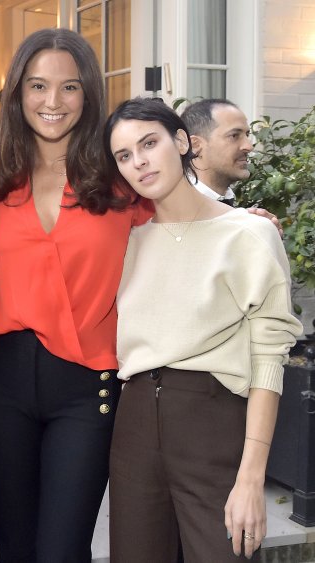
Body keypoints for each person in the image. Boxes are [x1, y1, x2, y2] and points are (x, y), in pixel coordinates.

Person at [0, 28, 153, 561]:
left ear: (88, 94)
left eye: (69, 87)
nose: (52, 101)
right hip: (3, 379)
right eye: (38, 86)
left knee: (63, 549)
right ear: (18, 94)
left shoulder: (121, 177)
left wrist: (236, 222)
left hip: (87, 382)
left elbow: (181, 222)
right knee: (15, 545)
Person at [105, 97, 302, 561]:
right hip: (133, 424)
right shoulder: (127, 241)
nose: (140, 162)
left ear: (181, 142)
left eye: (149, 143)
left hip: (214, 421)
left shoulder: (250, 235)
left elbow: (269, 360)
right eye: (124, 156)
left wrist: (252, 478)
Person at [181, 98, 253, 204]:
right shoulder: (176, 211)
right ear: (195, 145)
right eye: (234, 135)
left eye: (247, 135)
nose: (249, 146)